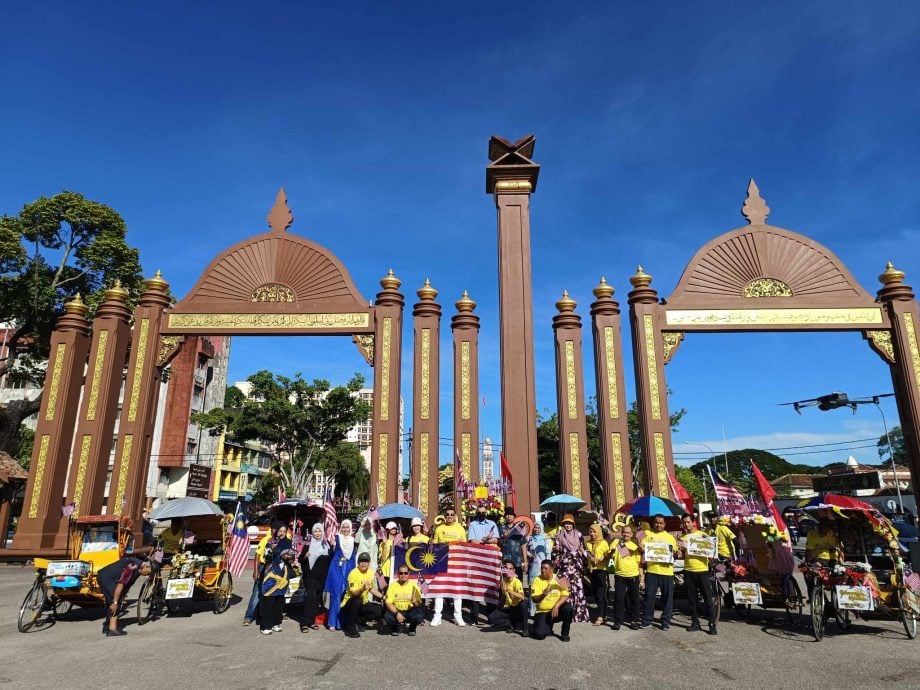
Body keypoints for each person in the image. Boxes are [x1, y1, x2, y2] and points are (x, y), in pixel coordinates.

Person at [679, 515, 717, 635]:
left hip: (702, 570)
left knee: (708, 598)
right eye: (684, 523)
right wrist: (680, 551)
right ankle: (695, 622)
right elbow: (681, 555)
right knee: (692, 599)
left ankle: (712, 624)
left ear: (693, 522)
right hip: (689, 570)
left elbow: (711, 550)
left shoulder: (702, 535)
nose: (686, 524)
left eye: (688, 522)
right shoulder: (683, 538)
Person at [97, 556, 152, 636]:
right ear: (146, 566)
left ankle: (107, 627)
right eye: (147, 572)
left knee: (114, 601)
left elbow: (128, 585)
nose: (146, 575)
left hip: (105, 577)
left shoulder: (139, 569)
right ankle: (112, 629)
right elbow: (121, 585)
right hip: (107, 578)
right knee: (114, 602)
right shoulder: (132, 567)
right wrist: (116, 602)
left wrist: (123, 596)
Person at [641, 514, 678, 630]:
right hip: (652, 570)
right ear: (654, 523)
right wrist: (641, 548)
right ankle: (647, 620)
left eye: (661, 523)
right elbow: (641, 547)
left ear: (664, 524)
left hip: (667, 572)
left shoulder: (670, 537)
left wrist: (678, 553)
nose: (659, 525)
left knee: (667, 598)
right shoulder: (646, 534)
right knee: (649, 596)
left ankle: (665, 621)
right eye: (657, 523)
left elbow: (675, 552)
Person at [431, 507, 467, 626]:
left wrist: (462, 543)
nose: (449, 516)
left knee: (457, 590)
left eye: (452, 514)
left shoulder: (460, 528)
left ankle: (458, 616)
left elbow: (465, 547)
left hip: (456, 563)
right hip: (441, 562)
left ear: (455, 516)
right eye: (447, 514)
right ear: (444, 516)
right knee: (439, 590)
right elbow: (435, 547)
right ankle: (437, 616)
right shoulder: (439, 529)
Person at [551, 514, 589, 622]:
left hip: (576, 565)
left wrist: (584, 560)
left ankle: (579, 614)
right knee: (566, 588)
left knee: (578, 588)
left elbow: (582, 549)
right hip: (565, 566)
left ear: (573, 524)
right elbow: (555, 552)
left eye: (570, 523)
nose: (568, 526)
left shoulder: (579, 534)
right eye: (566, 523)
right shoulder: (559, 535)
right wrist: (556, 562)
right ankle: (567, 615)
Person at [260, 526, 294, 635]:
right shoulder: (270, 541)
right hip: (271, 573)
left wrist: (290, 557)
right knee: (269, 600)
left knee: (279, 600)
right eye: (280, 531)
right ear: (276, 532)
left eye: (284, 531)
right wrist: (271, 550)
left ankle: (276, 623)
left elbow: (292, 558)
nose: (282, 533)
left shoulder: (289, 542)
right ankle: (266, 625)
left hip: (283, 574)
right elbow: (266, 557)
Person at [341, 552, 384, 638]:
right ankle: (351, 628)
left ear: (369, 563)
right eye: (361, 561)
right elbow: (354, 593)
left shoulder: (370, 573)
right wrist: (363, 589)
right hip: (350, 603)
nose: (363, 563)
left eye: (366, 561)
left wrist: (383, 597)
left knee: (380, 611)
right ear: (358, 563)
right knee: (357, 600)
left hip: (363, 603)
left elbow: (371, 589)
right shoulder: (353, 573)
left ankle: (359, 622)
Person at [325, 520, 357, 630]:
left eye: (348, 527)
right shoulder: (337, 538)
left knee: (346, 595)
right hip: (337, 568)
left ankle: (343, 623)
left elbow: (354, 557)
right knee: (336, 594)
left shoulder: (354, 540)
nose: (345, 529)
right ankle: (333, 622)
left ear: (351, 528)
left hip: (349, 568)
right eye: (343, 527)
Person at [299, 522, 331, 633]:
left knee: (317, 599)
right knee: (310, 598)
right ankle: (304, 622)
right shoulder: (308, 545)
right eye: (316, 531)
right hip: (310, 577)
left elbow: (330, 560)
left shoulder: (327, 545)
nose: (318, 533)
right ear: (313, 533)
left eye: (319, 531)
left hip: (322, 578)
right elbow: (300, 560)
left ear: (323, 532)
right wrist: (304, 556)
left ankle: (311, 621)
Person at [531, 559, 573, 641]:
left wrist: (556, 606)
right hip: (542, 612)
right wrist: (543, 595)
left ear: (552, 569)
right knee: (539, 635)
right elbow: (534, 599)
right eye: (542, 568)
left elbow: (566, 595)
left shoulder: (559, 577)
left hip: (556, 610)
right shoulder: (537, 580)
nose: (543, 571)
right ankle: (544, 626)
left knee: (568, 608)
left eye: (545, 569)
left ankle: (565, 634)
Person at [611, 523, 642, 630]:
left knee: (635, 599)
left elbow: (639, 563)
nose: (625, 534)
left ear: (632, 534)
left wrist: (642, 577)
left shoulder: (636, 547)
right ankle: (617, 621)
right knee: (618, 598)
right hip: (619, 575)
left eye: (628, 532)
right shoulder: (617, 543)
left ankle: (635, 620)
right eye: (624, 532)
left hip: (633, 574)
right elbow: (611, 553)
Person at [244, 526, 276, 626]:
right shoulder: (265, 540)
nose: (277, 531)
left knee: (274, 593)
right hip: (264, 567)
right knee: (257, 593)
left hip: (276, 568)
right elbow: (257, 555)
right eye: (275, 529)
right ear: (271, 530)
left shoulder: (283, 540)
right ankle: (248, 616)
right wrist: (256, 571)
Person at [487, 559, 527, 635]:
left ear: (514, 570)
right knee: (491, 618)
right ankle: (511, 623)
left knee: (523, 604)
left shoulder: (517, 582)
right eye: (506, 568)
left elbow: (522, 597)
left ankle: (518, 624)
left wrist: (509, 590)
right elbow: (504, 597)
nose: (508, 570)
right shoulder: (503, 580)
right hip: (508, 607)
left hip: (517, 608)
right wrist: (498, 609)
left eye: (510, 569)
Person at [383, 565, 424, 635]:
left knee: (419, 616)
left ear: (409, 573)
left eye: (405, 573)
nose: (403, 575)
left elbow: (419, 604)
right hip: (397, 610)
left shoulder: (414, 585)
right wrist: (397, 613)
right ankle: (396, 628)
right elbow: (388, 602)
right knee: (387, 617)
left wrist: (415, 602)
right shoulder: (393, 585)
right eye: (401, 573)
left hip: (409, 611)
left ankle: (412, 628)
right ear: (398, 574)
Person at [585, 523, 611, 625]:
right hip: (591, 570)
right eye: (591, 531)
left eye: (594, 531)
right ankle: (603, 614)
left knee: (601, 594)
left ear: (599, 532)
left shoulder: (604, 543)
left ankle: (600, 617)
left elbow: (607, 556)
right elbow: (587, 555)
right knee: (596, 593)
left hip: (601, 570)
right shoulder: (588, 543)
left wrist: (600, 559)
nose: (592, 534)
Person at [527, 522, 552, 615]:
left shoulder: (545, 537)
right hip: (534, 565)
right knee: (533, 587)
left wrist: (549, 564)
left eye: (538, 528)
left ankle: (543, 608)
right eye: (535, 528)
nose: (536, 529)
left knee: (543, 586)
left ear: (541, 528)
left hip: (544, 565)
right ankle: (532, 610)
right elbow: (525, 550)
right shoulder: (530, 538)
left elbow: (549, 552)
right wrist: (530, 555)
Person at [501, 508, 528, 579]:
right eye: (507, 515)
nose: (509, 517)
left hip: (518, 561)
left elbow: (523, 545)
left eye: (511, 515)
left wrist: (525, 561)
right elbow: (498, 543)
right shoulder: (501, 528)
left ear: (514, 516)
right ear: (504, 517)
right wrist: (503, 537)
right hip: (506, 561)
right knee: (507, 583)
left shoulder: (518, 528)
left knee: (518, 583)